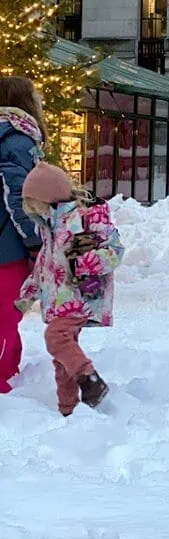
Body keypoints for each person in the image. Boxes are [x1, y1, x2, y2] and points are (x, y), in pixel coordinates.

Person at [18, 162, 123, 416]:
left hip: (80, 296)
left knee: (56, 339)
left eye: (36, 204)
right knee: (62, 360)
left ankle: (90, 379)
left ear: (49, 197)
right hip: (59, 299)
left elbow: (115, 251)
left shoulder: (86, 218)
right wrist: (29, 292)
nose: (34, 211)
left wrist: (88, 262)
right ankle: (68, 409)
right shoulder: (50, 227)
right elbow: (45, 263)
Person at [0, 76, 45, 392]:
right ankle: (3, 380)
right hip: (7, 246)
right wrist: (34, 240)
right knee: (5, 313)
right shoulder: (17, 139)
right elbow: (19, 195)